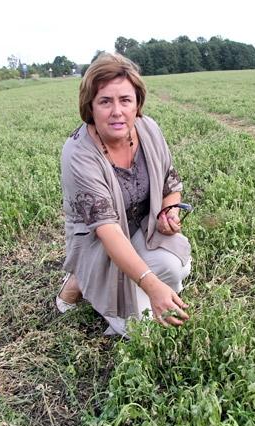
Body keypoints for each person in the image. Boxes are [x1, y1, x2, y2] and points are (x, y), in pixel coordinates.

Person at [56, 53, 192, 336]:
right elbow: (107, 231)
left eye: (125, 100)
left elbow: (170, 185)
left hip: (141, 227)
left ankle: (109, 282)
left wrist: (169, 211)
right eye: (105, 101)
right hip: (101, 243)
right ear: (90, 106)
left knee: (174, 266)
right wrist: (151, 286)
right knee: (139, 330)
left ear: (137, 103)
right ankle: (83, 278)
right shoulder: (79, 154)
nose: (117, 111)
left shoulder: (149, 130)